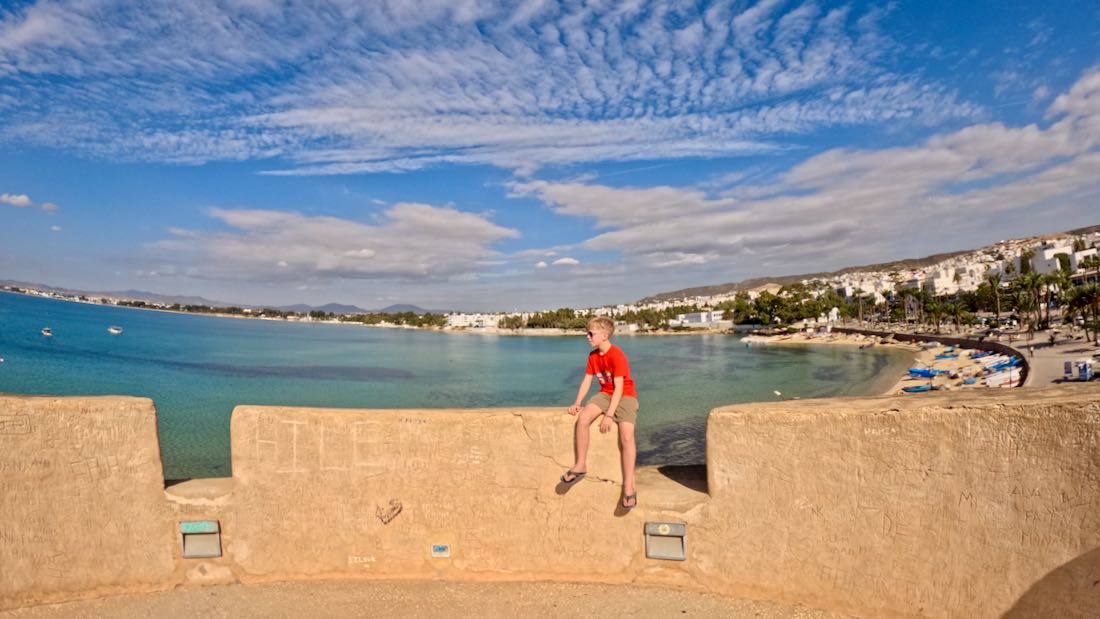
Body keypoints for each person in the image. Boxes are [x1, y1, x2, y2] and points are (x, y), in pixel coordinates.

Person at [561, 317, 639, 510]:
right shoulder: (593, 356)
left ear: (604, 335)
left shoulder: (617, 355)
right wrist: (577, 403)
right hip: (605, 394)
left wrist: (609, 415)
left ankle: (628, 486)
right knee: (583, 418)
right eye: (587, 333)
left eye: (591, 334)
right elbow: (587, 381)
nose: (587, 337)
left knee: (626, 436)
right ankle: (580, 465)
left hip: (625, 396)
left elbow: (619, 388)